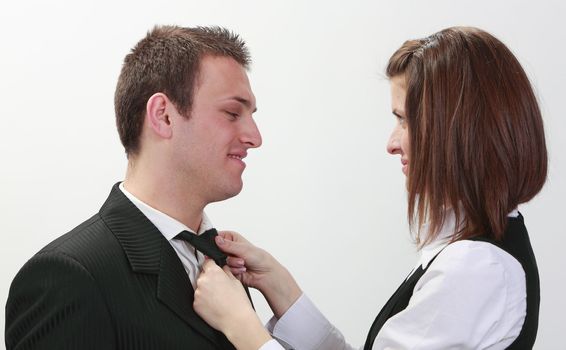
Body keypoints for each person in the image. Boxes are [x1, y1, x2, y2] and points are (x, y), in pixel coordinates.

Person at [192, 26, 547, 350]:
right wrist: (281, 288)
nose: (392, 144)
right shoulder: (475, 249)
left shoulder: (477, 267)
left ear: (459, 130)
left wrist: (241, 326)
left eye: (405, 121)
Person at [5, 25, 262, 349]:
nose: (255, 137)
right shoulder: (67, 278)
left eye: (250, 115)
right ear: (163, 116)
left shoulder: (222, 260)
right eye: (232, 113)